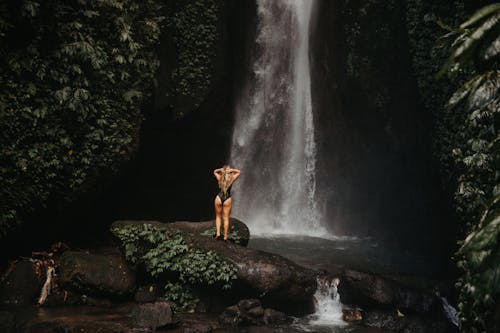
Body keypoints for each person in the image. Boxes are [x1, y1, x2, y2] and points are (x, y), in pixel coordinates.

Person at [213, 165, 241, 241]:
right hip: (227, 199)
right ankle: (225, 237)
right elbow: (239, 172)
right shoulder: (231, 179)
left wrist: (221, 170)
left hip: (219, 198)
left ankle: (218, 233)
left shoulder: (220, 178)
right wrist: (231, 170)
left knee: (218, 216)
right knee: (226, 218)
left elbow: (215, 171)